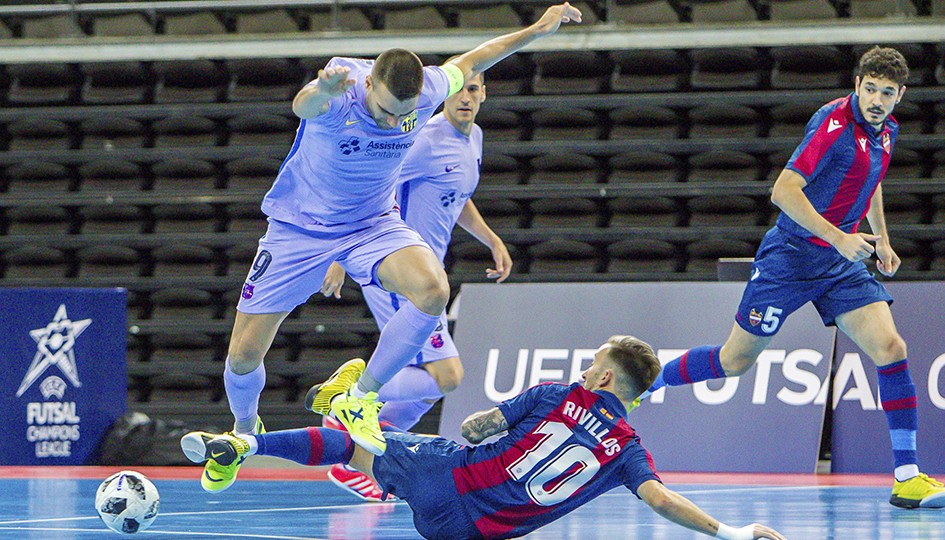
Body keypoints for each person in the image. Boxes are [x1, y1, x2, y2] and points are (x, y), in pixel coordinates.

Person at [200, 3, 581, 493]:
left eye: (403, 115)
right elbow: (303, 104)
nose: (391, 122)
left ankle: (359, 397)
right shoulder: (340, 93)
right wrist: (322, 89)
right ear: (369, 88)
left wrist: (539, 28)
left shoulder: (425, 91)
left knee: (431, 291)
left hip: (372, 224)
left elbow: (481, 56)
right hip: (299, 231)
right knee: (243, 357)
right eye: (383, 111)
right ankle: (244, 433)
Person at [638, 46, 945, 510]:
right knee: (734, 361)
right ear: (857, 84)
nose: (877, 99)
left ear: (900, 95)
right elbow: (783, 190)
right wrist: (837, 236)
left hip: (837, 264)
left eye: (887, 93)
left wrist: (881, 238)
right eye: (870, 89)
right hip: (790, 258)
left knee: (892, 348)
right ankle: (649, 383)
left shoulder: (886, 130)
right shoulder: (832, 125)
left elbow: (872, 180)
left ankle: (907, 477)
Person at [182, 336, 788, 540]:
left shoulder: (558, 393)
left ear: (603, 376)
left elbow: (478, 428)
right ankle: (341, 422)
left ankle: (259, 440)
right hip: (473, 531)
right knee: (367, 449)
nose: (584, 369)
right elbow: (660, 500)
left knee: (352, 440)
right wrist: (730, 532)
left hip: (447, 477)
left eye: (591, 363)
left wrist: (491, 423)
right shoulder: (627, 450)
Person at [317, 67, 512, 501]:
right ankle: (345, 402)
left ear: (484, 94)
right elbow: (372, 185)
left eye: (475, 90)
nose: (467, 97)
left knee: (424, 383)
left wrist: (492, 239)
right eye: (460, 90)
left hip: (428, 275)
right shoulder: (424, 138)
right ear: (444, 95)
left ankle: (359, 460)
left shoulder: (473, 138)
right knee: (446, 376)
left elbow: (456, 196)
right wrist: (339, 256)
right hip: (398, 272)